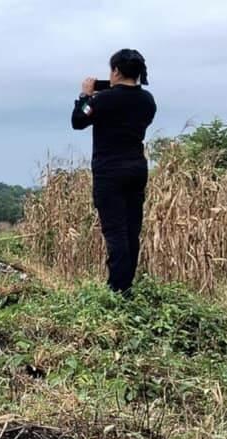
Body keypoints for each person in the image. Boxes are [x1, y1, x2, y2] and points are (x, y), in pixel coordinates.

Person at [72, 49, 157, 295]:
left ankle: (118, 289)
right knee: (132, 230)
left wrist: (85, 95)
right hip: (137, 169)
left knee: (115, 231)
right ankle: (126, 285)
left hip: (110, 172)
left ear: (116, 71)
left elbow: (78, 120)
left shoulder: (103, 100)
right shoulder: (147, 100)